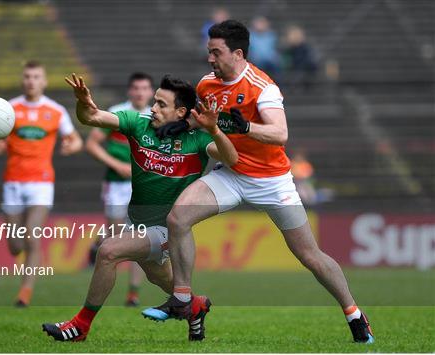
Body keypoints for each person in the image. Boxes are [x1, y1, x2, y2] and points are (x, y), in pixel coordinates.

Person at [143, 20, 374, 344]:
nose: (210, 58)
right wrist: (183, 126)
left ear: (237, 53)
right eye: (209, 51)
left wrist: (248, 128)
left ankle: (353, 312)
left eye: (216, 52)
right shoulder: (208, 85)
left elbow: (280, 133)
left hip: (272, 182)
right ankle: (182, 298)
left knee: (309, 255)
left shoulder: (262, 87)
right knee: (178, 218)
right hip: (232, 174)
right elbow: (203, 121)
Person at [42, 73, 238, 342]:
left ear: (181, 111)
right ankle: (195, 307)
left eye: (160, 104)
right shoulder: (138, 123)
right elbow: (91, 118)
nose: (152, 108)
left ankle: (80, 326)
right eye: (154, 102)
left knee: (108, 251)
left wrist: (215, 129)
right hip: (138, 223)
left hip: (169, 228)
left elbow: (232, 158)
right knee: (160, 279)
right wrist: (82, 102)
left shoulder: (198, 140)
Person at [0, 61, 83, 307]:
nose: (31, 80)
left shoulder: (56, 111)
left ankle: (25, 293)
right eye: (28, 76)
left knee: (32, 235)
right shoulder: (9, 108)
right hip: (13, 181)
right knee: (15, 245)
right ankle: (20, 262)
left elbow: (75, 140)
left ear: (44, 81)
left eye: (36, 76)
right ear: (23, 80)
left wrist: (70, 146)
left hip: (41, 181)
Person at [85, 72, 154, 307]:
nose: (140, 92)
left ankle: (133, 293)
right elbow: (92, 143)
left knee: (137, 239)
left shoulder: (157, 116)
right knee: (116, 237)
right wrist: (117, 165)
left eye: (144, 88)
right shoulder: (117, 112)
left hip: (143, 187)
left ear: (151, 92)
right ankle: (100, 241)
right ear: (129, 91)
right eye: (136, 88)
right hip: (116, 184)